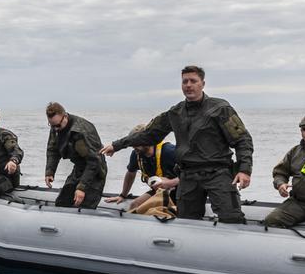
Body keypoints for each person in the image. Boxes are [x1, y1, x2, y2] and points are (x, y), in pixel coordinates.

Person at [100, 65, 253, 223]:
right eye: (184, 81)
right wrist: (117, 145)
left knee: (231, 218)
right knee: (186, 222)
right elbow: (148, 134)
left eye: (193, 81)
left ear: (203, 84)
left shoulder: (220, 109)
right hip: (188, 176)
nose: (188, 85)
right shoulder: (175, 113)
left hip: (218, 173)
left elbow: (242, 140)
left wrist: (244, 170)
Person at [263, 111, 305, 228]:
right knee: (271, 221)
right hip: (298, 203)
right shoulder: (294, 152)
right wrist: (281, 184)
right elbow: (280, 172)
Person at [43, 102, 107, 208]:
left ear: (65, 116)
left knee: (84, 207)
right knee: (62, 202)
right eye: (52, 126)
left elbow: (94, 162)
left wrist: (82, 188)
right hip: (79, 168)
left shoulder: (81, 131)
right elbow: (53, 150)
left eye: (58, 125)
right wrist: (50, 171)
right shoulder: (56, 128)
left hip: (95, 171)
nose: (55, 129)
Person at [104, 129, 179, 216]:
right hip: (161, 191)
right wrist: (123, 195)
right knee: (134, 205)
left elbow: (192, 174)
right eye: (132, 143)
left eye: (136, 143)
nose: (133, 147)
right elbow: (131, 173)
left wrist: (170, 183)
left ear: (148, 141)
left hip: (181, 191)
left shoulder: (169, 151)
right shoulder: (137, 154)